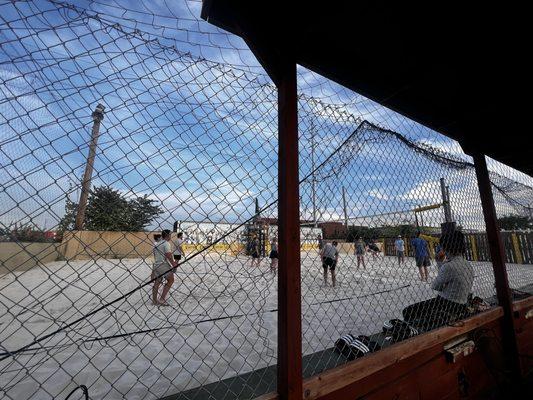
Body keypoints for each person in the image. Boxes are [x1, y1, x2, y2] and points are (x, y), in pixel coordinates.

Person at [402, 229, 474, 331]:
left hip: (446, 303)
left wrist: (440, 263)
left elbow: (435, 286)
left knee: (408, 311)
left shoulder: (449, 266)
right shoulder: (467, 264)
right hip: (462, 302)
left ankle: (413, 332)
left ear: (446, 248)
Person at [152, 229, 176, 306]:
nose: (171, 237)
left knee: (157, 282)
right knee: (171, 280)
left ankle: (154, 300)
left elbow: (155, 256)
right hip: (163, 265)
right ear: (167, 235)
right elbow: (168, 255)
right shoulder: (166, 243)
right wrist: (173, 264)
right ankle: (162, 299)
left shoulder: (157, 244)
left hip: (156, 265)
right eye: (170, 235)